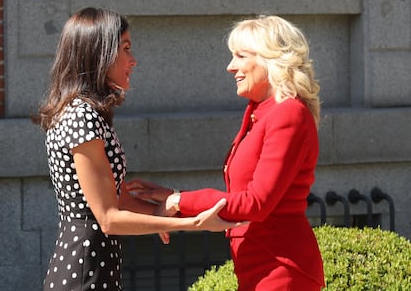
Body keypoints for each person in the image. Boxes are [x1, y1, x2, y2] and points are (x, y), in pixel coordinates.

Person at [32, 7, 244, 291]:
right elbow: (107, 218)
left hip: (92, 264)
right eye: (126, 48)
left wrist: (162, 212)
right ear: (100, 53)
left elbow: (115, 199)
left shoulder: (85, 112)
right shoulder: (81, 115)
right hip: (84, 271)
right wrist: (192, 224)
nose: (133, 60)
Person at [129, 15, 325, 290]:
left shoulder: (288, 113)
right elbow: (238, 198)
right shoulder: (260, 111)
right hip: (257, 267)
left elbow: (255, 203)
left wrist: (178, 202)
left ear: (271, 59)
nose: (230, 67)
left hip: (281, 270)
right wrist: (176, 197)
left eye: (240, 56)